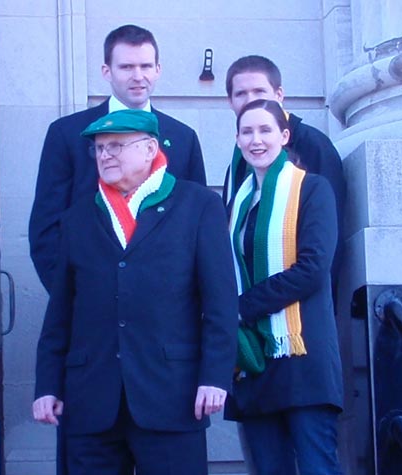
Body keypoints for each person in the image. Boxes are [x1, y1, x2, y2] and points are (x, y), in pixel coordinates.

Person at [32, 109, 238, 475]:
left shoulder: (198, 205)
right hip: (91, 399)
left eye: (116, 146)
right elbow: (61, 310)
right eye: (98, 149)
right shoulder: (78, 216)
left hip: (172, 396)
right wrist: (48, 384)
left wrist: (215, 376)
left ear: (149, 149)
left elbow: (220, 302)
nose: (105, 155)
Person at [29, 24, 206, 293]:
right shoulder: (66, 134)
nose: (138, 76)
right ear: (106, 71)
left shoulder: (183, 138)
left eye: (146, 66)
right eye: (126, 67)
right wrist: (71, 299)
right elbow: (46, 228)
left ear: (158, 70)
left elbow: (199, 226)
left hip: (167, 308)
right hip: (90, 303)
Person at [224, 99, 343, 475]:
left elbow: (312, 269)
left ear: (284, 135)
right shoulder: (237, 203)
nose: (256, 140)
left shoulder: (313, 189)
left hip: (303, 357)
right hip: (254, 362)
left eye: (265, 130)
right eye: (247, 131)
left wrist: (242, 307)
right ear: (238, 140)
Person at [222, 55, 346, 307]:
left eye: (260, 91)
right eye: (241, 94)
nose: (251, 100)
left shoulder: (314, 146)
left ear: (279, 95)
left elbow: (325, 246)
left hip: (301, 313)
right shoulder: (238, 161)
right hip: (250, 307)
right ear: (230, 102)